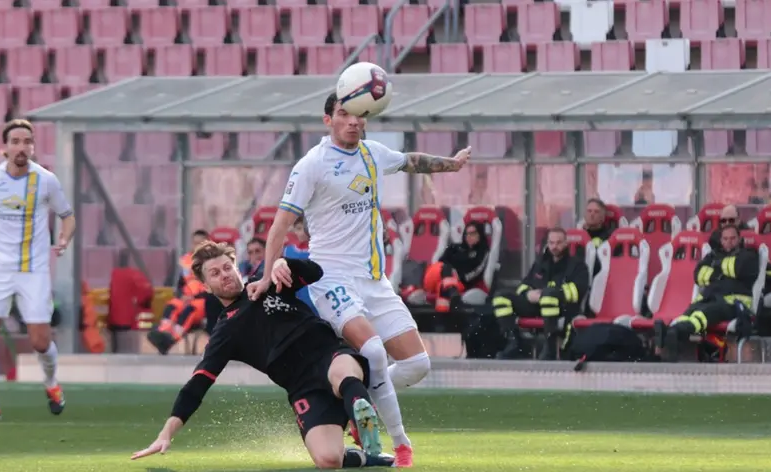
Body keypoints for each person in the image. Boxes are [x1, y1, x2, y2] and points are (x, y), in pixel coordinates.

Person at [247, 92, 471, 467]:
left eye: (358, 115)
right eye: (343, 114)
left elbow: (411, 162)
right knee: (373, 352)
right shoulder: (312, 165)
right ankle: (400, 444)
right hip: (330, 277)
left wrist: (452, 165)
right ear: (327, 119)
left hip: (373, 280)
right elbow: (281, 225)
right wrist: (269, 273)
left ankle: (351, 395)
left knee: (418, 365)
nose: (353, 121)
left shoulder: (372, 153)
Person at [131, 241, 394, 469]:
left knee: (342, 375)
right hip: (303, 388)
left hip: (330, 355)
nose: (224, 275)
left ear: (236, 267)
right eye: (214, 273)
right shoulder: (224, 332)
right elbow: (197, 385)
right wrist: (166, 434)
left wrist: (283, 263)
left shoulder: (267, 282)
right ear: (207, 287)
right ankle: (362, 453)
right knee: (328, 460)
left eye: (226, 268)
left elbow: (316, 272)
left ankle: (360, 412)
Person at [0, 119, 75, 419]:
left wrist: (64, 237)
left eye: (27, 141)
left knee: (39, 341)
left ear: (33, 147)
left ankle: (52, 383)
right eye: (16, 141)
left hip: (33, 271)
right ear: (3, 148)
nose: (22, 147)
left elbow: (67, 215)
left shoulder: (46, 180)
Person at [656, 224, 760, 362]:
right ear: (721, 240)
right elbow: (698, 275)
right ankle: (670, 331)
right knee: (690, 311)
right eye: (725, 238)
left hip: (733, 301)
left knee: (704, 313)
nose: (729, 241)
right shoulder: (713, 255)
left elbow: (739, 268)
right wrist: (723, 271)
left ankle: (678, 331)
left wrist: (715, 268)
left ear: (739, 239)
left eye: (733, 238)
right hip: (710, 297)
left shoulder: (749, 255)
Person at [492, 227, 589, 360]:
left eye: (559, 243)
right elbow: (523, 285)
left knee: (549, 297)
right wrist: (527, 294)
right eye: (551, 243)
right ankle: (514, 342)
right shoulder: (540, 263)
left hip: (563, 308)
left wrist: (551, 294)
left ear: (566, 243)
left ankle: (550, 348)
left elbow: (579, 290)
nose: (555, 246)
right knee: (500, 297)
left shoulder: (577, 265)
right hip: (536, 306)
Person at [148, 229, 214, 354]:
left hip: (204, 301)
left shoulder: (215, 263)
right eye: (195, 243)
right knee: (172, 305)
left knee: (190, 310)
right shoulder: (185, 261)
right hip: (186, 298)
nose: (197, 246)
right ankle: (163, 333)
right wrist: (181, 296)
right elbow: (180, 284)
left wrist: (195, 297)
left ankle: (171, 339)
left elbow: (215, 289)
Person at [422, 221, 491, 312]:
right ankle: (451, 289)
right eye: (467, 233)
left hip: (460, 282)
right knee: (442, 270)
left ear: (480, 235)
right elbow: (441, 262)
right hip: (439, 277)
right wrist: (451, 271)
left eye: (473, 233)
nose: (469, 236)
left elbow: (477, 271)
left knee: (443, 288)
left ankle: (442, 318)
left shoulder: (483, 252)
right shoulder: (454, 247)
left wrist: (459, 277)